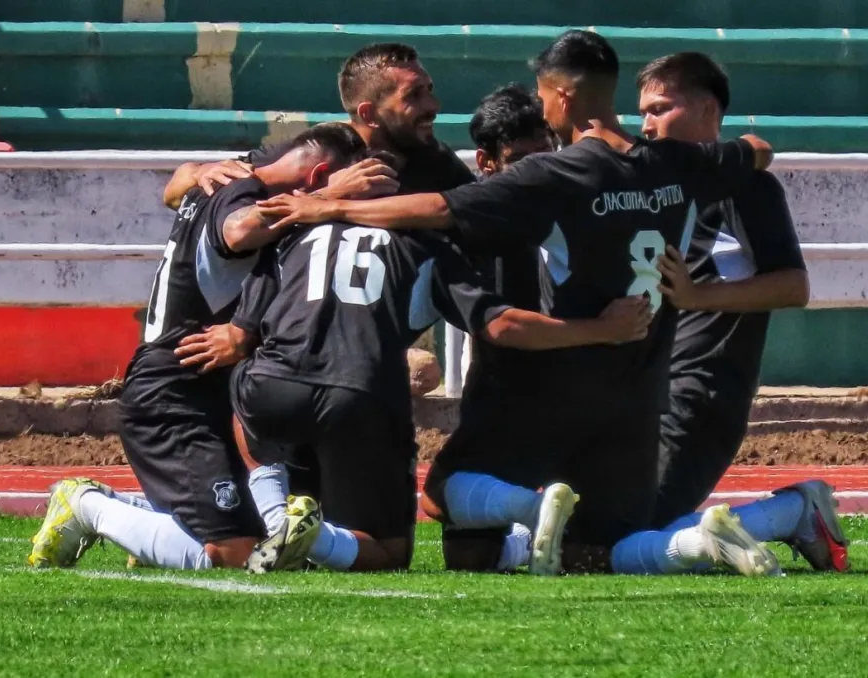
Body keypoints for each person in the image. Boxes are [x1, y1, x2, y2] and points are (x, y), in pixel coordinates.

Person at [252, 30, 779, 577]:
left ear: (564, 96)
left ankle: (534, 507)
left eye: (543, 93)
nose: (542, 105)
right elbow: (758, 151)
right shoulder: (677, 164)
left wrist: (328, 208)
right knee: (598, 556)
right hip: (641, 398)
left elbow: (436, 207)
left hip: (566, 383)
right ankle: (707, 542)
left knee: (442, 492)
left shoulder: (557, 172)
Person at [227, 175, 654, 573]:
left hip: (275, 383)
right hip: (363, 394)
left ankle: (276, 517)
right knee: (389, 551)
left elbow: (238, 337)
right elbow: (501, 326)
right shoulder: (426, 243)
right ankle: (314, 537)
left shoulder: (294, 233)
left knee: (245, 395)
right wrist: (601, 330)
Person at [27, 124, 370, 571]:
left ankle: (147, 533)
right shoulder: (244, 194)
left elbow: (182, 188)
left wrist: (189, 173)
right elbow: (238, 230)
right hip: (172, 389)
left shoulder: (233, 177)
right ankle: (87, 506)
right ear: (320, 174)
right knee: (240, 554)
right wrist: (326, 201)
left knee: (266, 537)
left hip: (196, 387)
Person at [634, 52, 847, 571]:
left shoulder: (745, 186)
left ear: (708, 110)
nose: (646, 124)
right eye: (642, 110)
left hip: (702, 391)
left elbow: (794, 286)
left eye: (660, 107)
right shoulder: (655, 188)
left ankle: (790, 512)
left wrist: (696, 297)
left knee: (627, 539)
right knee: (602, 535)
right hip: (636, 393)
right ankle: (773, 518)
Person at [162, 42, 474, 209]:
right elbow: (175, 194)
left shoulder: (436, 162)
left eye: (429, 90)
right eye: (414, 96)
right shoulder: (319, 153)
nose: (434, 107)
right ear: (368, 115)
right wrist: (199, 173)